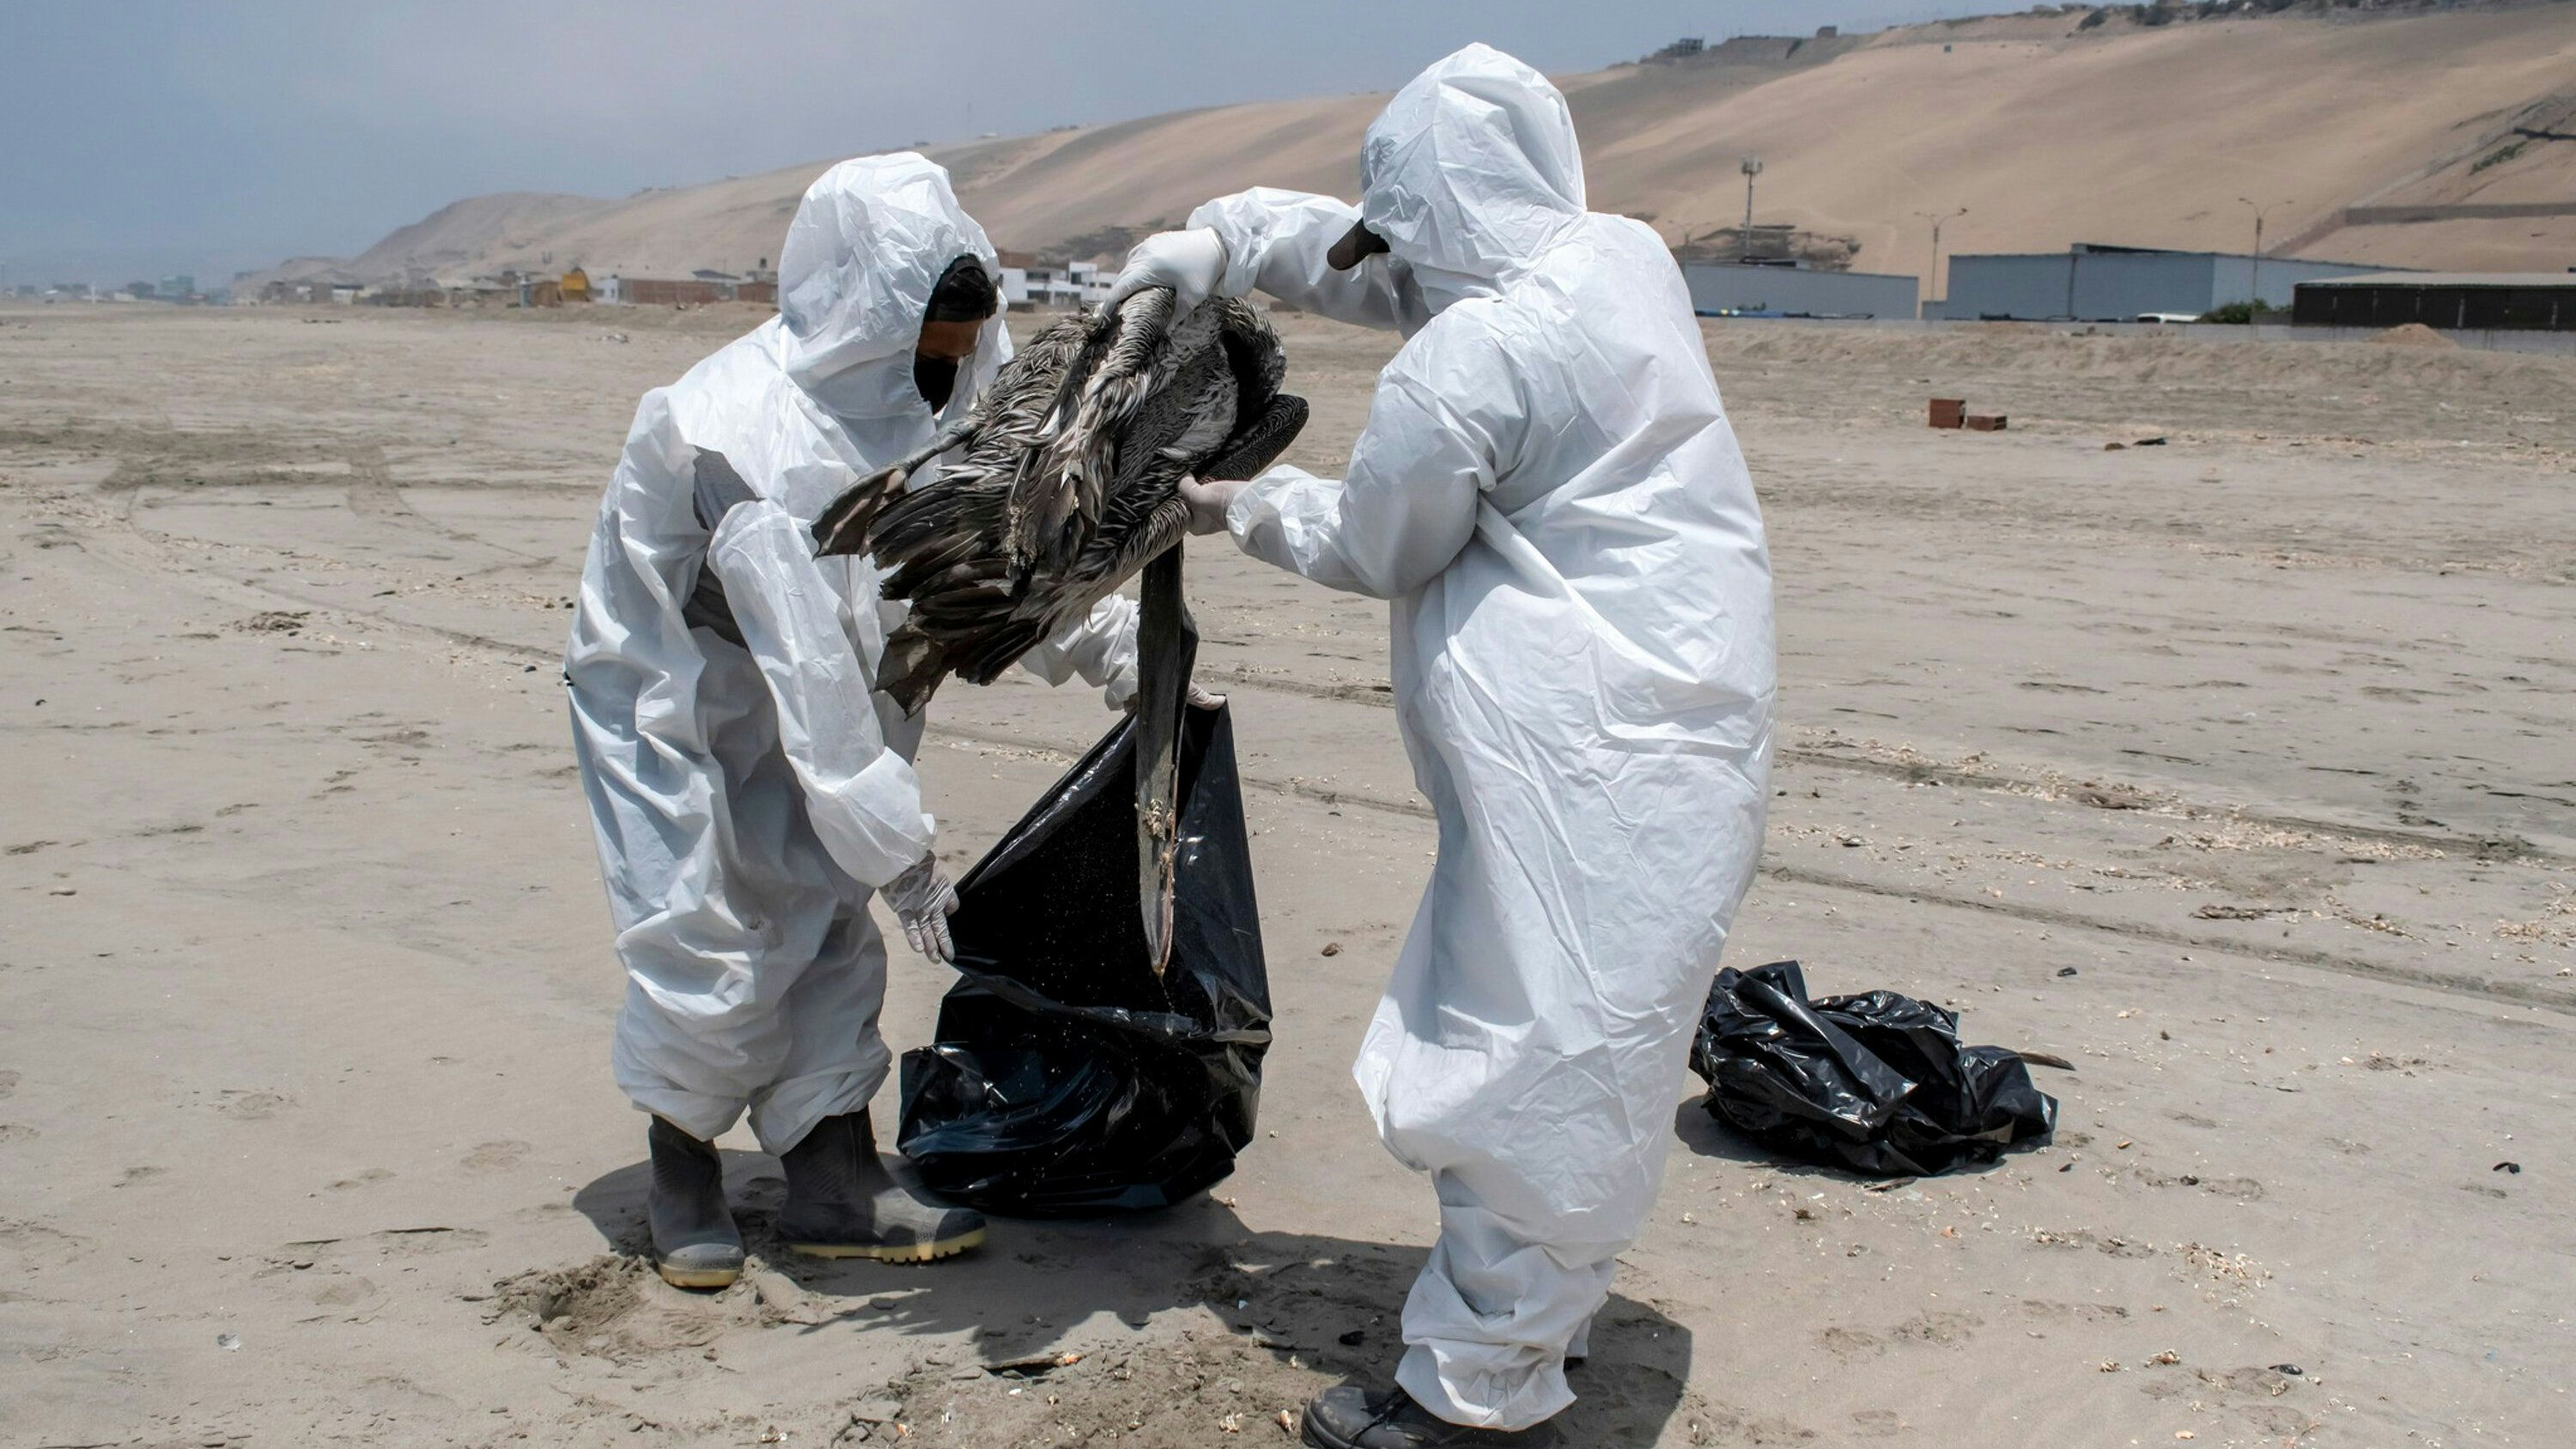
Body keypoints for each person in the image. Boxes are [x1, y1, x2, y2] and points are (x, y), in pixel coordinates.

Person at [1109, 45, 1775, 1448]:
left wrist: (1242, 506)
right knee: (1602, 1043)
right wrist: (1232, 235)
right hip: (1693, 727)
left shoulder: (1475, 354)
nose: (1389, 260)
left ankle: (1476, 1402)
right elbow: (1399, 266)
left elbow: (1380, 535)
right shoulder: (1620, 259)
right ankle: (1532, 1324)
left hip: (1578, 760)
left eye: (1397, 218)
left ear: (1424, 212)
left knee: (1520, 1056)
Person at [568, 154, 1139, 1290]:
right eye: (929, 345)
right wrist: (904, 854)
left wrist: (1120, 648)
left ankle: (830, 1161)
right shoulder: (733, 431)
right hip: (684, 707)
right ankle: (681, 1161)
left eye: (958, 349)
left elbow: (992, 555)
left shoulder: (950, 398)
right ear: (868, 314)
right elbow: (807, 676)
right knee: (710, 930)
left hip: (839, 702)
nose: (945, 370)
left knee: (827, 924)